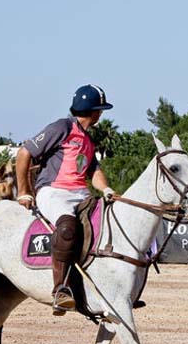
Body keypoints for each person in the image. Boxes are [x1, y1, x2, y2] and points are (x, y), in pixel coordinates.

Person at [16, 84, 115, 315]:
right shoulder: (62, 127)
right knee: (68, 228)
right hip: (54, 191)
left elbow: (94, 172)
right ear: (93, 111)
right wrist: (23, 191)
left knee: (106, 222)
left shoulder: (88, 140)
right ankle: (61, 290)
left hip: (81, 193)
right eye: (100, 110)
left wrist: (107, 189)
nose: (101, 114)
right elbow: (24, 153)